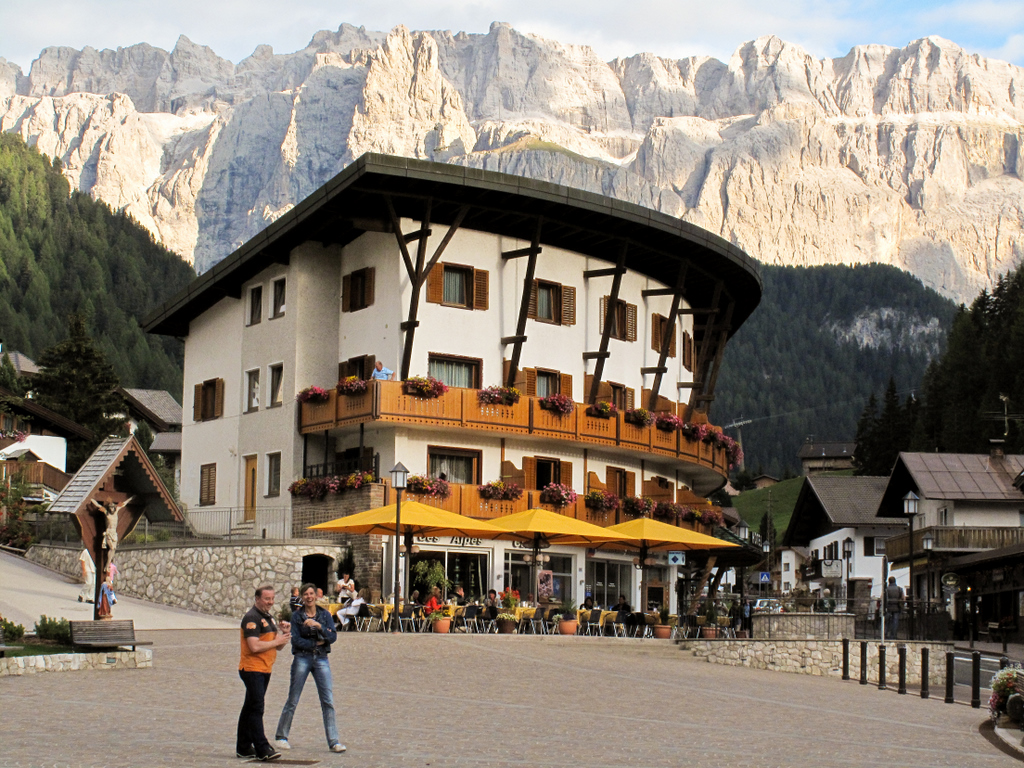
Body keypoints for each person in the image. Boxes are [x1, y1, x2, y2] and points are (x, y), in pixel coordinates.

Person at [275, 583, 346, 754]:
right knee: (293, 698)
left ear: (316, 596)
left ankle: (334, 741)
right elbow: (296, 640)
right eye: (305, 594)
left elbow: (332, 636)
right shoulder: (297, 617)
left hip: (321, 658)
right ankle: (281, 736)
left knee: (327, 699)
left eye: (311, 593)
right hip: (302, 657)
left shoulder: (324, 614)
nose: (309, 597)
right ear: (302, 597)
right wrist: (316, 642)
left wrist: (319, 626)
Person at [237, 585, 291, 762]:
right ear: (257, 599)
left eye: (272, 598)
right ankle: (262, 747)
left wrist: (284, 635)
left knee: (249, 706)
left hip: (265, 668)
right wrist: (276, 641)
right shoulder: (251, 618)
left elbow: (278, 646)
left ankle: (243, 747)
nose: (271, 602)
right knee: (257, 707)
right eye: (267, 599)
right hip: (252, 669)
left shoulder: (269, 617)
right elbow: (254, 646)